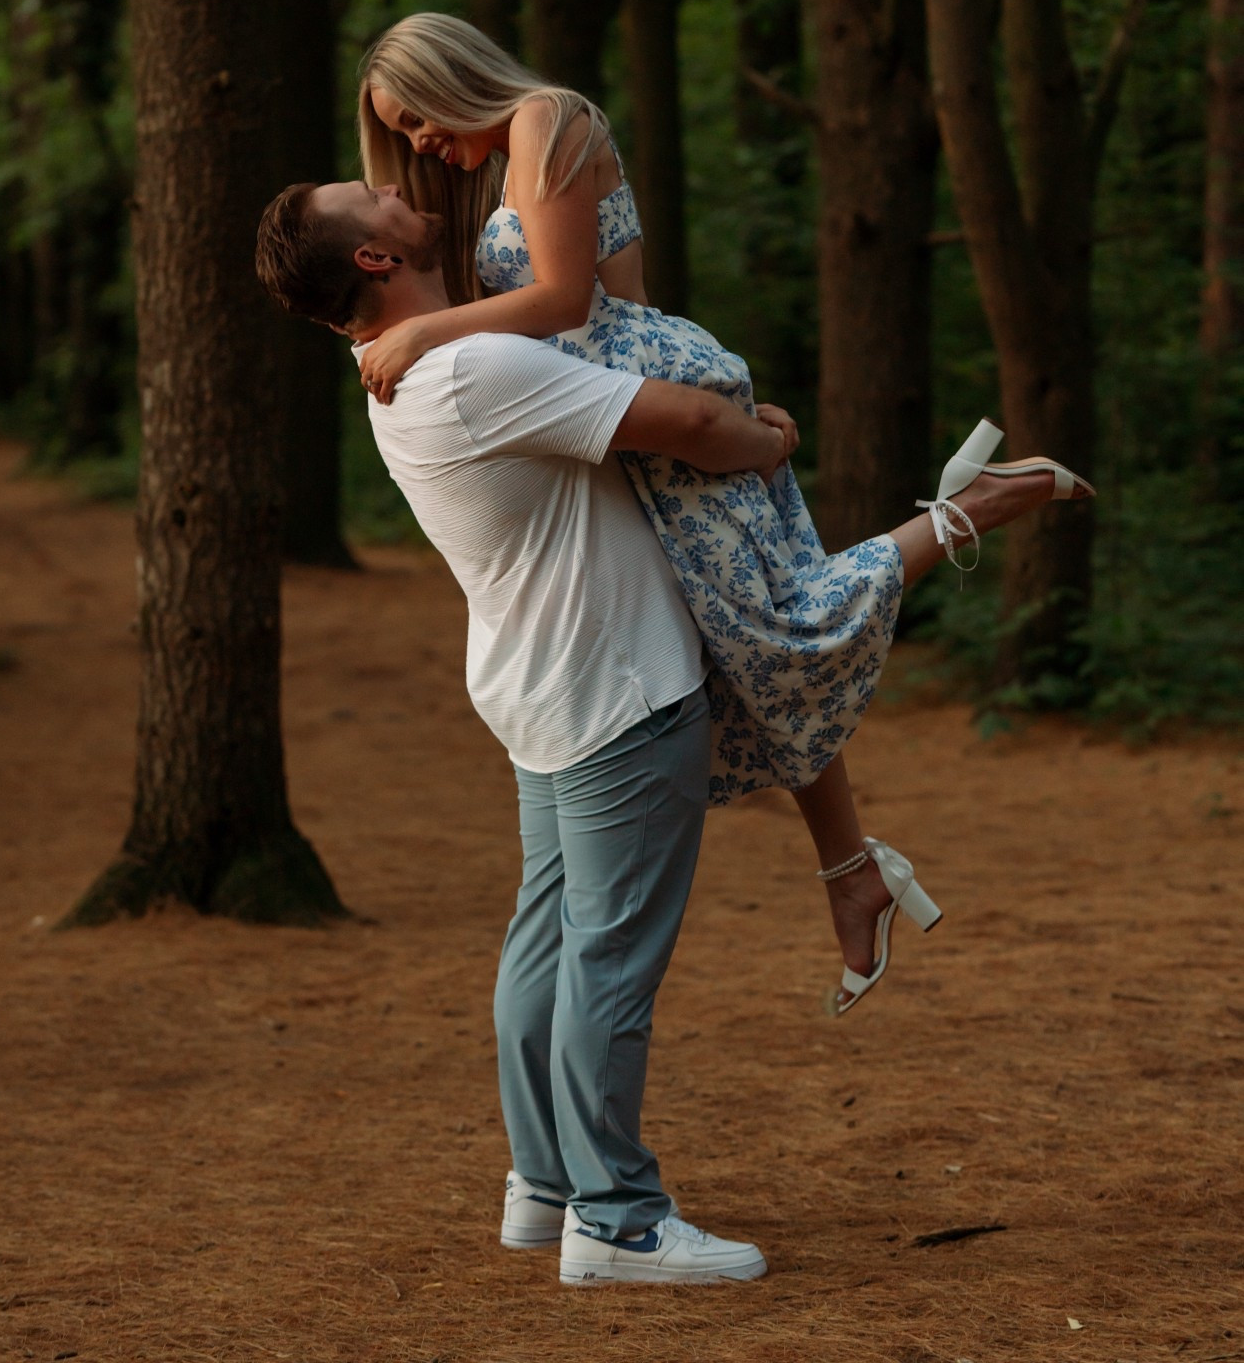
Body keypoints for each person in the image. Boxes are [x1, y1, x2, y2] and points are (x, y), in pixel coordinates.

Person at [253, 177, 1081, 1283]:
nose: (397, 185)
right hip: (616, 691)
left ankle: (544, 1187)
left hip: (539, 682)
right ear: (369, 260)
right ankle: (617, 1220)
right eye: (369, 193)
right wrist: (769, 437)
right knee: (608, 960)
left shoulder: (417, 370)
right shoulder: (469, 366)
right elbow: (691, 424)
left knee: (546, 941)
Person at [353, 13, 1095, 1017]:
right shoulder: (503, 160)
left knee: (781, 623)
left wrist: (432, 328)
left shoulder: (545, 121)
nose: (420, 149)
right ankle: (852, 873)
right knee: (743, 649)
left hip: (646, 401)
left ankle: (978, 502)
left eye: (419, 122)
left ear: (453, 78)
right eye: (399, 140)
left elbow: (573, 300)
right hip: (622, 412)